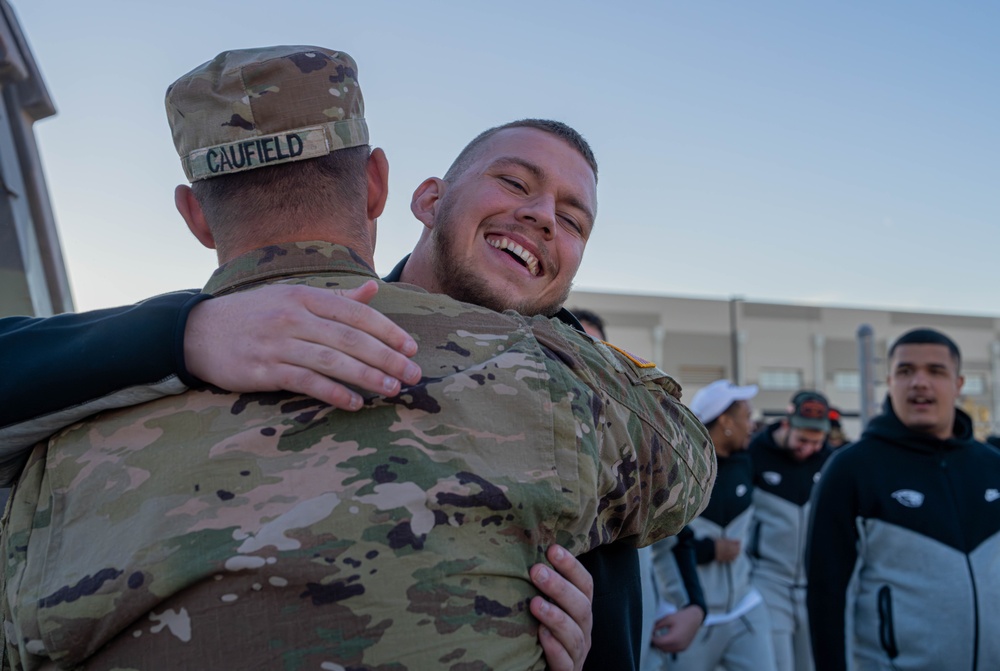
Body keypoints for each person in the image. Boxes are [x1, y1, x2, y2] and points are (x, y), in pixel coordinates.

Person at [0, 46, 715, 670]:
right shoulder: (150, 364)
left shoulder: (579, 385)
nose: (542, 216)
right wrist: (182, 334)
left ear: (195, 214)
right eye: (516, 183)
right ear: (403, 193)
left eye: (573, 217)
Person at [806, 328, 1000, 671]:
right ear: (890, 382)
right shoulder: (852, 468)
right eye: (906, 371)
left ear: (958, 384)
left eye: (936, 371)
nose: (919, 382)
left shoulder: (992, 465)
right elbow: (827, 595)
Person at [649, 380, 777, 671]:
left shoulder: (745, 461)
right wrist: (709, 550)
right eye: (746, 415)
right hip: (688, 618)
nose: (752, 424)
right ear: (726, 421)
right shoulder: (678, 470)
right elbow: (660, 543)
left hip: (745, 609)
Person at [747, 391, 832, 671]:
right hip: (769, 580)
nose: (808, 448)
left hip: (814, 585)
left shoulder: (831, 461)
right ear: (786, 425)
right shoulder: (753, 454)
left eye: (816, 442)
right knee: (778, 663)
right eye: (802, 440)